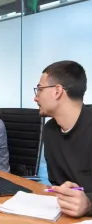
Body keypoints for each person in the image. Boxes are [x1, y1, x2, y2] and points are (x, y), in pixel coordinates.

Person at [34, 60, 92, 217]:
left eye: (39, 90)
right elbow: (57, 183)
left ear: (57, 91)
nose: (36, 98)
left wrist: (89, 204)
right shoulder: (50, 131)